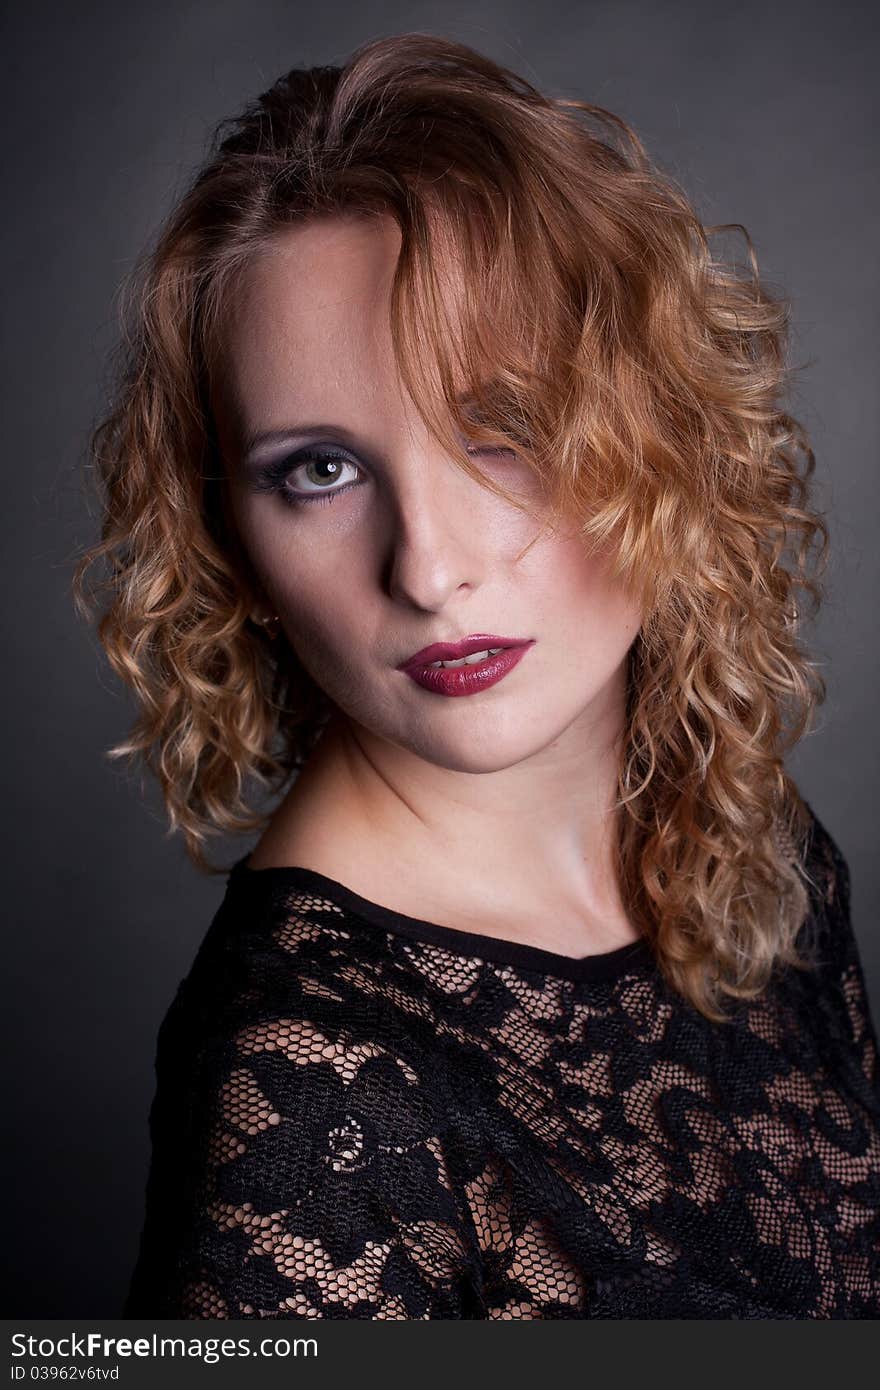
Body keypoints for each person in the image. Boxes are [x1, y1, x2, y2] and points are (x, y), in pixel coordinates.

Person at [73, 32, 880, 1319]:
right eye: (318, 470)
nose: (430, 569)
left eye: (500, 431)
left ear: (658, 422)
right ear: (230, 529)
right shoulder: (311, 1081)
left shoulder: (744, 837)